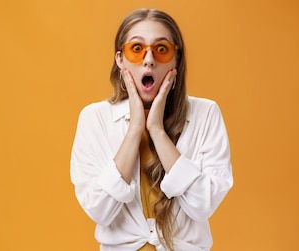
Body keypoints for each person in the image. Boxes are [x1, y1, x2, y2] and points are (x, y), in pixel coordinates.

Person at [70, 8, 233, 251]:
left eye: (161, 49)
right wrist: (135, 129)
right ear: (120, 60)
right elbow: (99, 210)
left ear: (176, 58)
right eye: (136, 49)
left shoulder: (206, 114)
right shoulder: (94, 118)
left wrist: (156, 130)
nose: (149, 59)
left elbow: (203, 205)